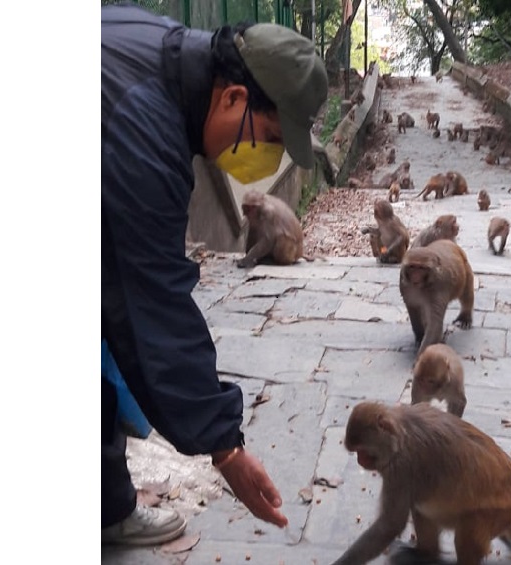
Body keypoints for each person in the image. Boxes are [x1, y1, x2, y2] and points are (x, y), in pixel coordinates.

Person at [101, 3, 328, 546]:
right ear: (233, 97)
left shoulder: (159, 49)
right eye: (271, 138)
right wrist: (224, 448)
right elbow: (152, 305)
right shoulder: (144, 131)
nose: (268, 158)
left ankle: (105, 507)